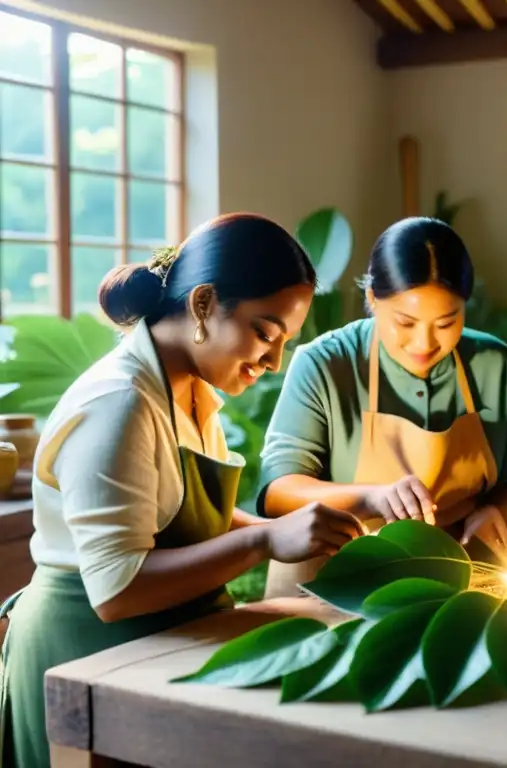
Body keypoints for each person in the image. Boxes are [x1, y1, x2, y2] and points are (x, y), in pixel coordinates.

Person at [0, 214, 366, 768]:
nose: (273, 361)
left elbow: (184, 515)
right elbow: (117, 590)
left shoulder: (190, 387)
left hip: (158, 645)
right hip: (86, 650)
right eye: (266, 333)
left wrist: (284, 527)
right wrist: (264, 543)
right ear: (202, 304)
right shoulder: (119, 403)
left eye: (284, 342)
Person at [258, 216, 507, 598]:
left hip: (461, 572)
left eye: (447, 322)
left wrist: (498, 511)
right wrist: (370, 497)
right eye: (405, 322)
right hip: (334, 571)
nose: (424, 343)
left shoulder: (495, 365)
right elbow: (278, 491)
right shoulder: (325, 363)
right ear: (373, 298)